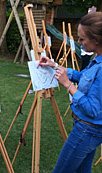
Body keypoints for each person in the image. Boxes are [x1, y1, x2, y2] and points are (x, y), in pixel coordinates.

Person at [39, 12, 102, 173]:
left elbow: (93, 110)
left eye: (82, 39)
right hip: (88, 130)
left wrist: (68, 85)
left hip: (87, 130)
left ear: (96, 40)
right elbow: (83, 77)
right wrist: (54, 66)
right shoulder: (97, 59)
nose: (79, 42)